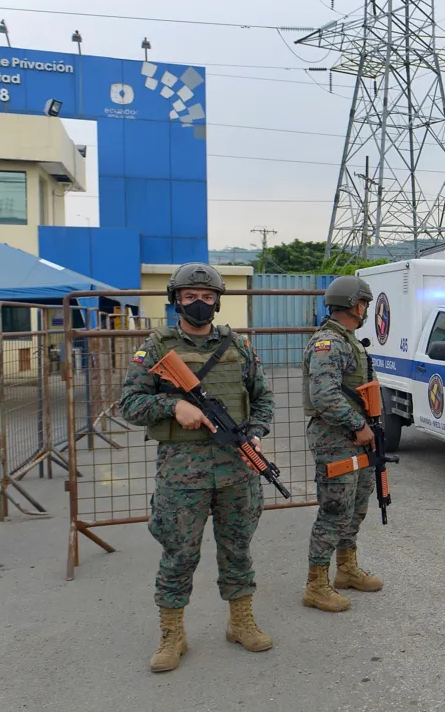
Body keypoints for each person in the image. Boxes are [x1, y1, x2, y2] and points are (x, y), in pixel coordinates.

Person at [120, 263, 275, 672]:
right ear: (176, 300)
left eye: (207, 297)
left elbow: (262, 398)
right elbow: (130, 404)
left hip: (237, 471)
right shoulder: (156, 347)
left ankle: (240, 622)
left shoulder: (237, 345)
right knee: (178, 554)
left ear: (218, 301)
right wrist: (174, 405)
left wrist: (255, 432)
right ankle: (172, 634)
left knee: (237, 550)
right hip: (182, 474)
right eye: (191, 297)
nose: (200, 304)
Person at [302, 275, 384, 612]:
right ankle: (316, 585)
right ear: (354, 304)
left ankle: (346, 570)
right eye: (364, 303)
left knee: (356, 506)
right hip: (335, 439)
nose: (365, 309)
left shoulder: (348, 341)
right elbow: (323, 395)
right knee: (334, 510)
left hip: (357, 438)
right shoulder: (328, 343)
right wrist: (357, 425)